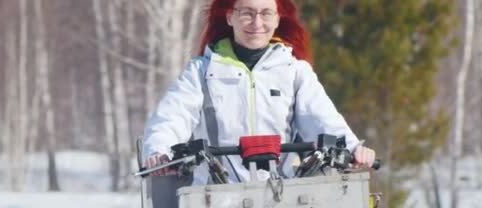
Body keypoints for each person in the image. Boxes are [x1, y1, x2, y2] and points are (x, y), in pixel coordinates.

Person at [143, 0, 375, 183]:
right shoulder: (201, 71)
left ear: (277, 19)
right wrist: (159, 151)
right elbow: (172, 116)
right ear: (229, 17)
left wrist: (353, 149)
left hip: (283, 198)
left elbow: (322, 119)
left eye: (266, 13)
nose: (257, 23)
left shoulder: (294, 71)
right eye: (247, 13)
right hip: (215, 202)